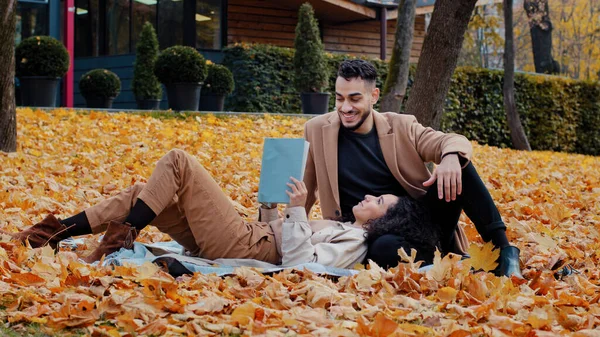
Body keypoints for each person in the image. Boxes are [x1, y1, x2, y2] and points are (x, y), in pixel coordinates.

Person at [1, 149, 432, 269]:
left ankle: (117, 240)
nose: (370, 198)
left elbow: (301, 263)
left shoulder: (355, 241)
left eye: (380, 202)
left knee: (178, 162)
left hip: (247, 245)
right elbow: (285, 235)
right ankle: (49, 236)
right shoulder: (342, 224)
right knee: (141, 193)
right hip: (251, 234)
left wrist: (298, 211)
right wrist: (272, 208)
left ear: (386, 221)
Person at [302, 59, 522, 277]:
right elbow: (304, 191)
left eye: (354, 99)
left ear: (374, 96)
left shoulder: (400, 126)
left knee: (459, 165)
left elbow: (451, 140)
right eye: (340, 99)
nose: (345, 107)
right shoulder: (317, 130)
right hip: (366, 235)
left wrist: (450, 157)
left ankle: (505, 253)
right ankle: (443, 265)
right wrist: (283, 229)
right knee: (384, 249)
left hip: (422, 222)